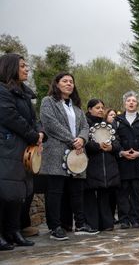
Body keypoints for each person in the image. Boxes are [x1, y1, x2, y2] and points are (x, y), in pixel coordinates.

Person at [40, 72, 99, 240]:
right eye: (64, 81)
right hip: (57, 152)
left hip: (78, 154)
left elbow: (85, 127)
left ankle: (80, 224)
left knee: (76, 191)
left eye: (71, 81)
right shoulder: (48, 102)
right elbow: (50, 124)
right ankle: (55, 227)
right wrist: (72, 139)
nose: (69, 84)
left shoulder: (77, 109)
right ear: (57, 84)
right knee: (55, 191)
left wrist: (81, 139)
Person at [0, 53, 45, 250]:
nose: (27, 69)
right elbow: (10, 117)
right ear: (10, 68)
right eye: (23, 66)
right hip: (8, 147)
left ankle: (13, 231)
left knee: (19, 193)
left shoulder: (25, 93)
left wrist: (40, 133)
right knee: (5, 193)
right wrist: (33, 135)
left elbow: (33, 119)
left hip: (24, 148)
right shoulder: (2, 91)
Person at [84, 99, 121, 231]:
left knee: (105, 195)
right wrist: (97, 146)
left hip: (108, 166)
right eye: (97, 107)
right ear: (89, 109)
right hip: (91, 164)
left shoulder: (108, 125)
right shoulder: (84, 124)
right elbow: (84, 143)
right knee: (90, 196)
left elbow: (117, 142)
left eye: (102, 108)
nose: (100, 110)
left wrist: (111, 147)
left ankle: (107, 223)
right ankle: (93, 224)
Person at [115, 91, 139, 229]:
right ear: (124, 103)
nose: (131, 103)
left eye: (134, 101)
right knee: (122, 193)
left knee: (136, 192)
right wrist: (122, 151)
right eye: (129, 100)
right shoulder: (117, 121)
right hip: (122, 162)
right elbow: (114, 139)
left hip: (138, 163)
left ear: (137, 104)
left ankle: (135, 219)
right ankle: (124, 220)